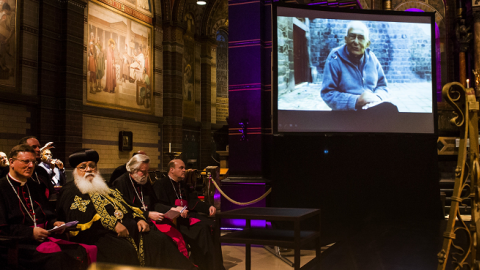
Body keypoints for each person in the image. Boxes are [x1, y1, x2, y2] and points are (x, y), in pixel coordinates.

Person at [56, 149, 197, 269]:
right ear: (75, 170)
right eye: (83, 166)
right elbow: (79, 215)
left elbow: (125, 204)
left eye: (92, 166)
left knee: (160, 240)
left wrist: (139, 218)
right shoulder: (70, 190)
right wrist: (113, 224)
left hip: (128, 228)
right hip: (98, 234)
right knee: (124, 251)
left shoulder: (103, 186)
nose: (89, 169)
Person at [0, 144, 92, 270]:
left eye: (33, 161)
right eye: (26, 161)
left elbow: (47, 214)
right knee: (59, 257)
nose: (31, 165)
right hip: (16, 245)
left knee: (83, 250)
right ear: (11, 162)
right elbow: (2, 228)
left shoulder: (34, 186)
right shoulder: (2, 188)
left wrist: (55, 224)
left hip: (43, 238)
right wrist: (30, 233)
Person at [112, 154, 189, 258]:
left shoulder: (144, 181)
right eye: (142, 171)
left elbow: (154, 203)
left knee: (176, 235)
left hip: (152, 221)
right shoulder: (120, 183)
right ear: (132, 170)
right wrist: (147, 214)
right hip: (136, 224)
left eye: (147, 171)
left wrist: (172, 208)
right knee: (163, 240)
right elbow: (124, 209)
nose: (146, 174)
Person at [154, 159, 225, 270]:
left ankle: (215, 264)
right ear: (171, 170)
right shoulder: (161, 184)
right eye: (181, 168)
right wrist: (176, 209)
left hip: (188, 217)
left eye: (184, 167)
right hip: (174, 220)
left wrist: (208, 207)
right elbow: (158, 205)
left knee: (213, 224)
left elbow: (193, 201)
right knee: (203, 228)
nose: (184, 170)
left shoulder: (183, 184)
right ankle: (204, 265)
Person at [320, 21, 392, 111]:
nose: (356, 42)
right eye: (352, 36)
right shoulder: (335, 58)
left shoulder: (372, 58)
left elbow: (382, 86)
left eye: (361, 38)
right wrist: (355, 101)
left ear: (367, 44)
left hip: (371, 109)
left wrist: (377, 97)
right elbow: (327, 93)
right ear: (346, 39)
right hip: (345, 113)